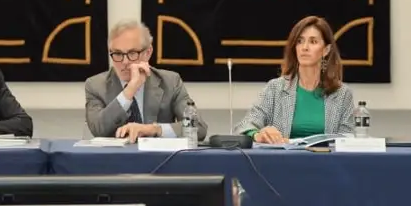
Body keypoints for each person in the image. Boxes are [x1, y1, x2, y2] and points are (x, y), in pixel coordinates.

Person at [235, 15, 355, 143]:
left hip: (326, 161)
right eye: (300, 41)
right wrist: (258, 134)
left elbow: (347, 139)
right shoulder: (275, 88)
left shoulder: (342, 93)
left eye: (313, 41)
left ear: (326, 50)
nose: (305, 47)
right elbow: (244, 126)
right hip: (283, 161)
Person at [83, 18, 207, 142]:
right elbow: (98, 129)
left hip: (158, 159)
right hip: (115, 160)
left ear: (148, 52)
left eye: (132, 53)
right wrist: (130, 90)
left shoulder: (170, 82)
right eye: (117, 54)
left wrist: (153, 129)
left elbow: (198, 128)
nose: (124, 62)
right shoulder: (95, 85)